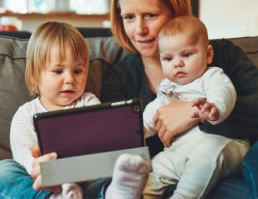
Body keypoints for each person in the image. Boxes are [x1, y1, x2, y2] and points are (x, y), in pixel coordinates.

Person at [102, 0, 258, 194]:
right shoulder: (119, 78)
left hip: (223, 167)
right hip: (163, 175)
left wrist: (193, 112)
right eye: (129, 17)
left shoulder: (221, 56)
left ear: (175, 12)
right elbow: (118, 144)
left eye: (150, 15)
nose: (139, 30)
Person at [4, 21, 149, 199]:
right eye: (58, 71)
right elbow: (26, 162)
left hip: (86, 183)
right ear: (35, 74)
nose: (69, 79)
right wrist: (42, 168)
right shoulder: (24, 114)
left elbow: (103, 143)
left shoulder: (89, 102)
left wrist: (124, 136)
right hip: (44, 185)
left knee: (110, 175)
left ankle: (115, 193)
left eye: (78, 71)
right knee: (5, 170)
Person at [143, 15, 249, 198]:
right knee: (156, 166)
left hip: (222, 145)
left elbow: (223, 91)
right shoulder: (167, 87)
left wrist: (214, 107)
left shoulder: (211, 76)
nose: (178, 63)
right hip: (178, 152)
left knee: (205, 155)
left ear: (208, 55)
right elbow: (156, 110)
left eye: (186, 55)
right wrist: (142, 128)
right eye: (168, 58)